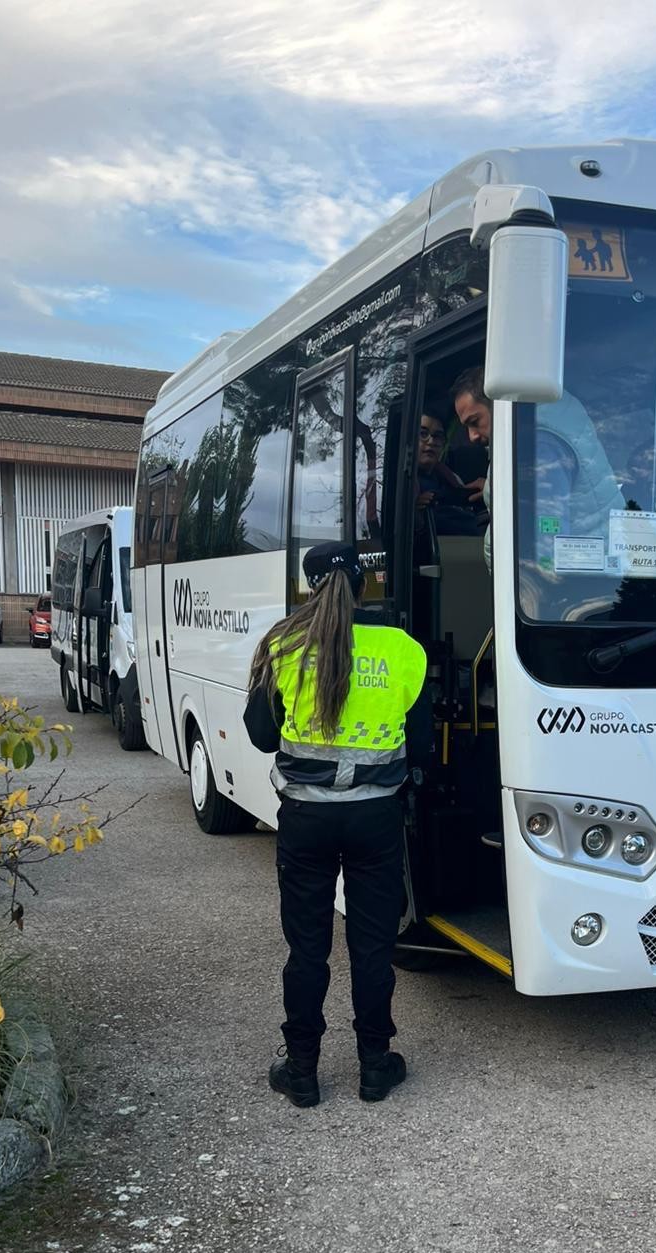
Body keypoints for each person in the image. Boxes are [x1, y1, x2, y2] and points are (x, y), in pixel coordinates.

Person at [243, 542, 427, 1108]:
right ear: (366, 585)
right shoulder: (402, 649)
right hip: (375, 818)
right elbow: (417, 742)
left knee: (307, 951)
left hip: (305, 819)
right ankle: (376, 1066)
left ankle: (301, 1071)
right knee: (372, 948)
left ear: (308, 585)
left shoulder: (280, 643)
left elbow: (261, 735)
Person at [449, 366, 624, 571]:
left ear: (499, 403)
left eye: (475, 422)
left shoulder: (538, 441)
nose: (472, 436)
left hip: (563, 589)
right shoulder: (548, 414)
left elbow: (547, 540)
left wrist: (535, 590)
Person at [414, 402, 479, 537]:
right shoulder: (404, 484)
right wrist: (417, 512)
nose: (431, 441)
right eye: (423, 433)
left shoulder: (452, 478)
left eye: (438, 436)